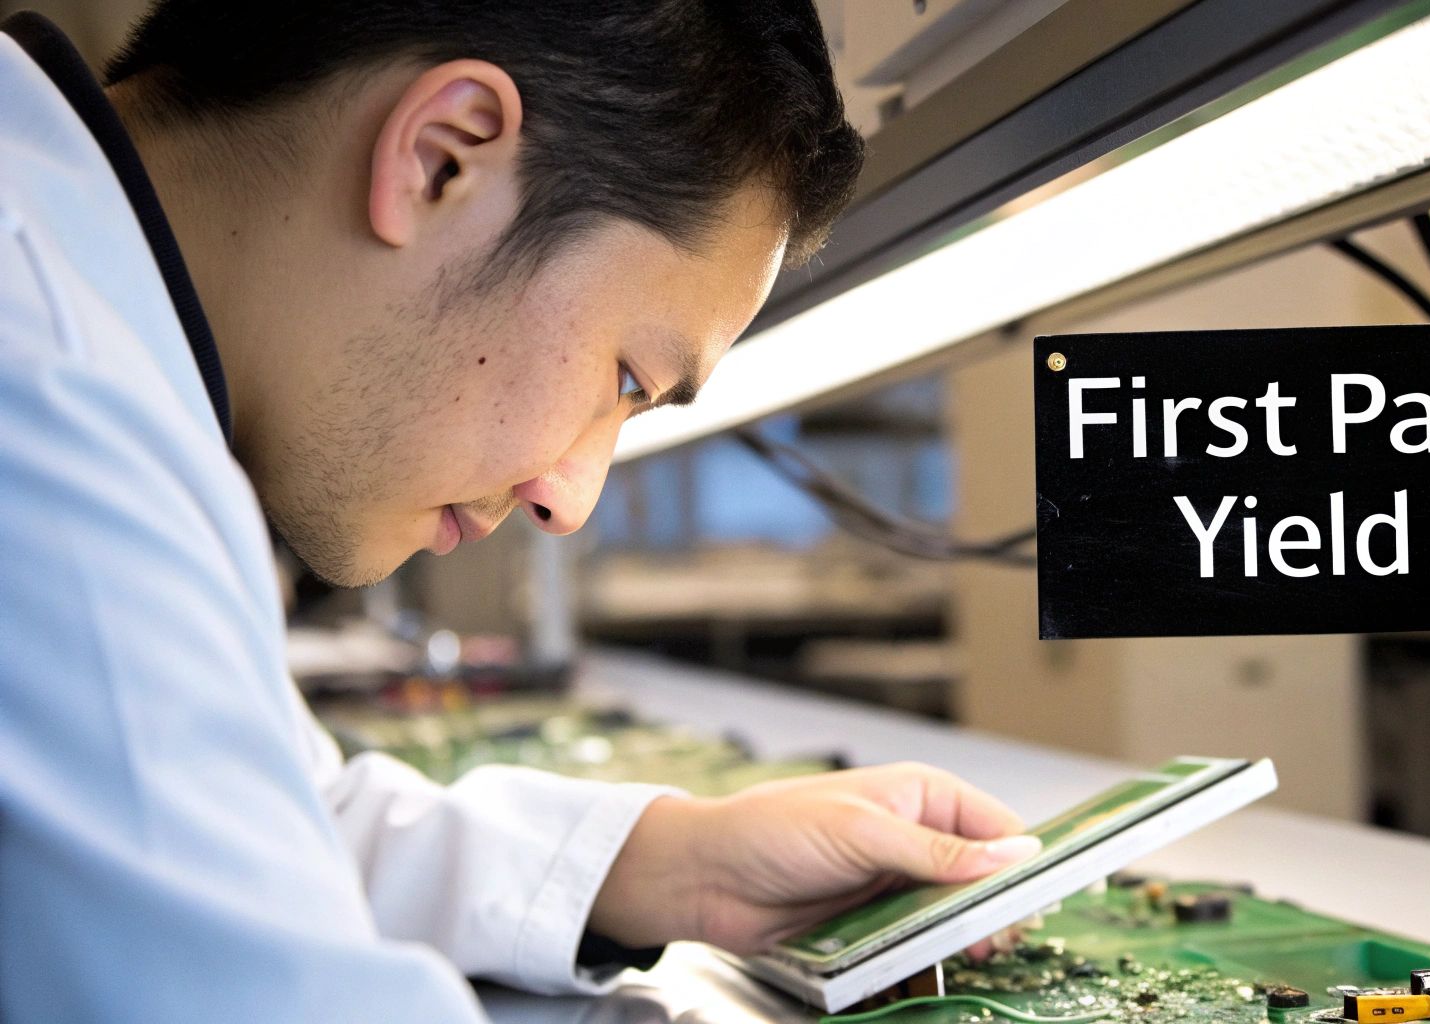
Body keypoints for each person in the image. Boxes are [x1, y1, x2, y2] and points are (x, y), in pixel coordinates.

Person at [0, 4, 1041, 1020]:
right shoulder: (46, 409)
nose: (567, 500)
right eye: (629, 378)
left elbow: (235, 828)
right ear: (442, 157)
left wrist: (662, 863)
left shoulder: (83, 319)